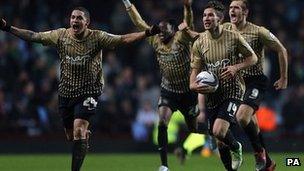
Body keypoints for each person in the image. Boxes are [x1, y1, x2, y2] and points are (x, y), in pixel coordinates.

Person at [0, 6, 159, 171]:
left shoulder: (97, 37)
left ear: (87, 22)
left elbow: (123, 39)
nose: (75, 20)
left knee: (78, 130)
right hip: (66, 92)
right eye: (73, 17)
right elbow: (34, 36)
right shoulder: (60, 35)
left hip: (90, 91)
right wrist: (7, 27)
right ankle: (83, 138)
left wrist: (147, 33)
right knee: (71, 136)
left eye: (79, 18)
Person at [122, 0, 200, 170]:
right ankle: (164, 165)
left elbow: (189, 22)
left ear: (174, 30)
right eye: (159, 29)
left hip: (188, 92)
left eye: (165, 29)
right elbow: (139, 23)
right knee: (162, 123)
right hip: (168, 91)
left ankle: (190, 147)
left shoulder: (182, 38)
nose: (161, 32)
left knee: (194, 129)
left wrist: (187, 6)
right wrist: (128, 4)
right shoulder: (155, 40)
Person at [189, 1, 258, 170]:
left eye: (210, 15)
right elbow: (194, 71)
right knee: (220, 142)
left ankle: (236, 147)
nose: (206, 18)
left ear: (220, 19)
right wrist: (193, 86)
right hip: (213, 95)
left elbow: (253, 58)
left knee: (219, 131)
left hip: (233, 91)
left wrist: (236, 67)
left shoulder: (233, 37)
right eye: (205, 15)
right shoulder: (199, 43)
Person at [223, 0, 288, 170]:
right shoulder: (226, 29)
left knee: (242, 117)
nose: (231, 11)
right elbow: (204, 37)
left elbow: (282, 49)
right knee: (253, 127)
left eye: (236, 8)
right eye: (230, 8)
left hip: (255, 81)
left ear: (245, 12)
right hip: (237, 84)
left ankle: (258, 154)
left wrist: (284, 78)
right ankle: (268, 163)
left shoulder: (259, 32)